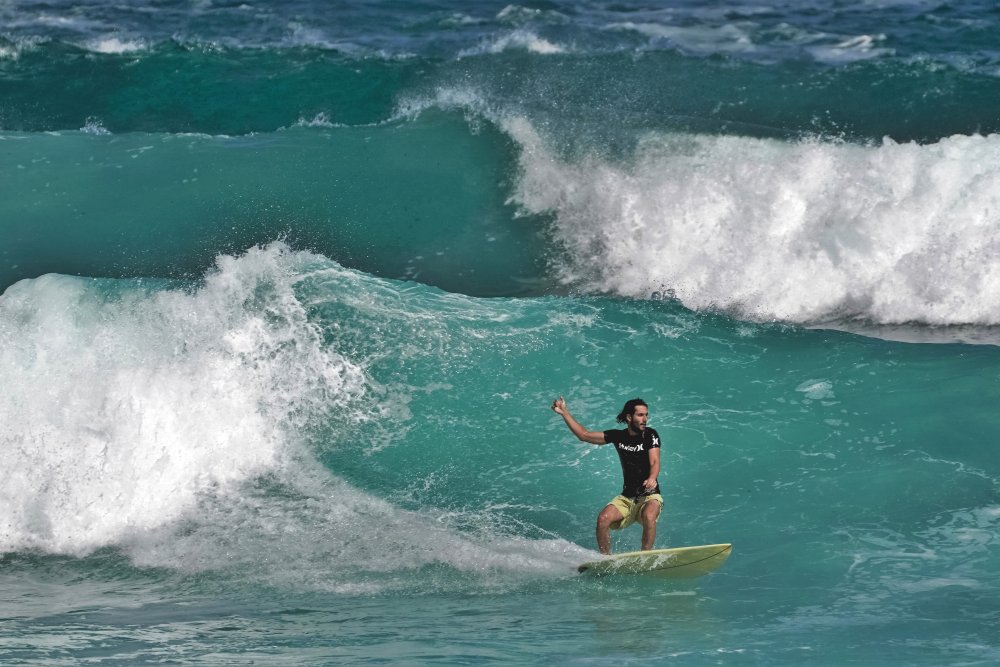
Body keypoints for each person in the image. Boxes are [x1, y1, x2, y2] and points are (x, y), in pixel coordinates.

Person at [551, 396, 662, 555]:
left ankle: (645, 556)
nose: (645, 419)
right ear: (629, 417)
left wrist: (652, 477)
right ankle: (605, 559)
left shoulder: (650, 435)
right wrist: (564, 413)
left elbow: (655, 462)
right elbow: (584, 435)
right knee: (603, 519)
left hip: (649, 496)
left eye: (646, 415)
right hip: (627, 498)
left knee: (649, 515)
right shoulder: (618, 436)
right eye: (640, 415)